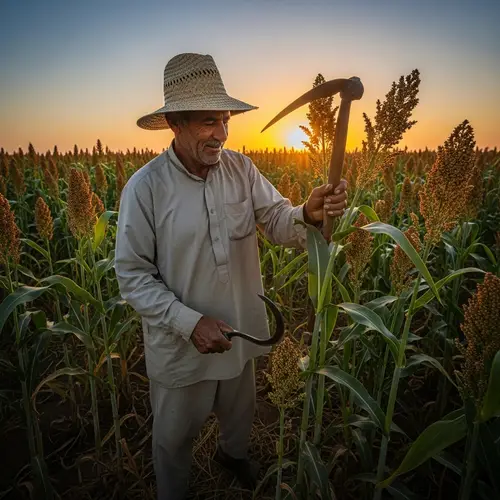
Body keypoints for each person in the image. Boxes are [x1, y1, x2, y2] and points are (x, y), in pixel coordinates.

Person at [114, 52, 348, 500]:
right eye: (207, 122)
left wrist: (307, 213)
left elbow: (277, 218)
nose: (221, 133)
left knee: (240, 415)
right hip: (181, 347)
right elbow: (133, 276)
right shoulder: (145, 189)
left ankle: (232, 455)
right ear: (175, 124)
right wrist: (190, 323)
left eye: (225, 120)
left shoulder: (241, 169)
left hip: (241, 333)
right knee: (174, 439)